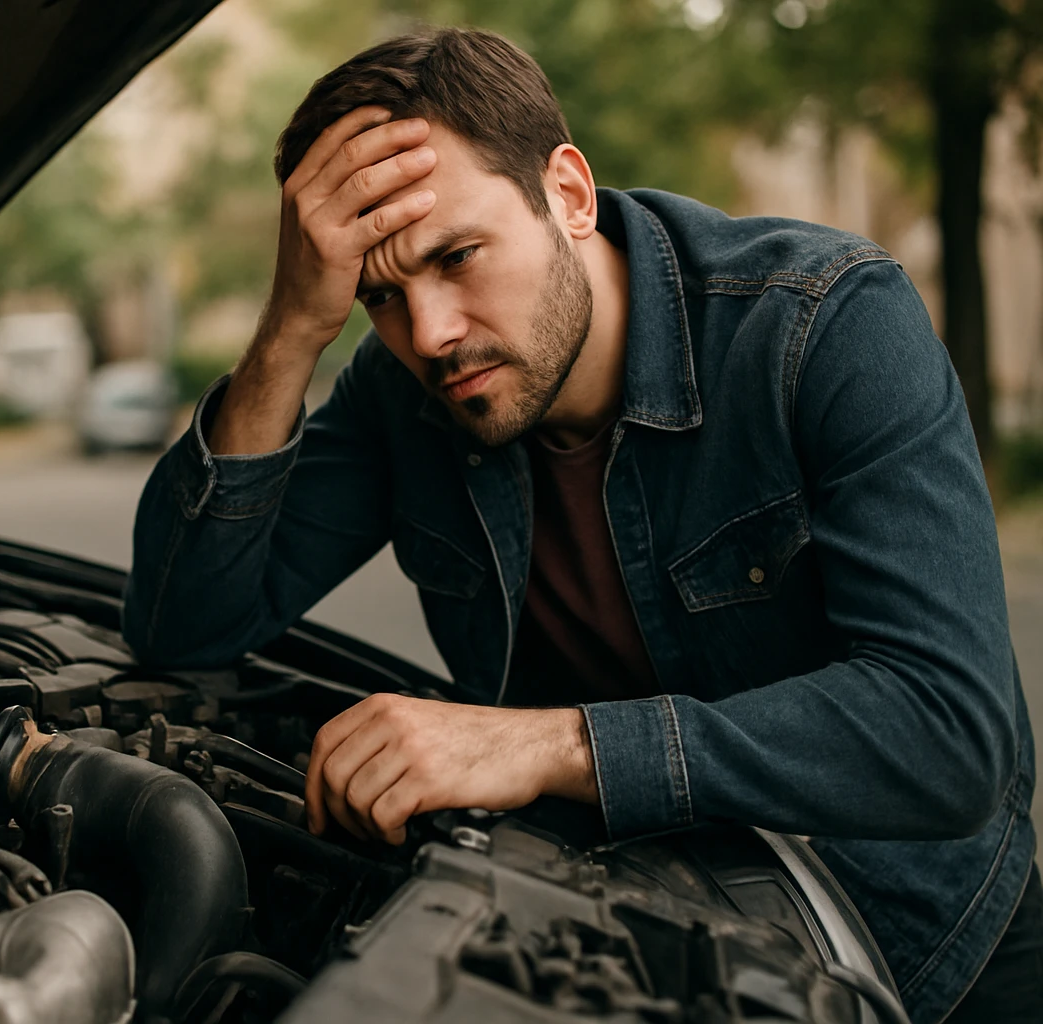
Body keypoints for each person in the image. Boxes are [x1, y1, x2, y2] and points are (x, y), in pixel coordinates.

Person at [122, 27, 1039, 1024]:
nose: (429, 333)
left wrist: (550, 746)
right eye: (378, 296)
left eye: (457, 256)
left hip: (918, 960)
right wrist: (296, 325)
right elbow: (184, 622)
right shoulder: (408, 392)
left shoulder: (823, 324)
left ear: (567, 192)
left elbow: (949, 735)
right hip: (618, 954)